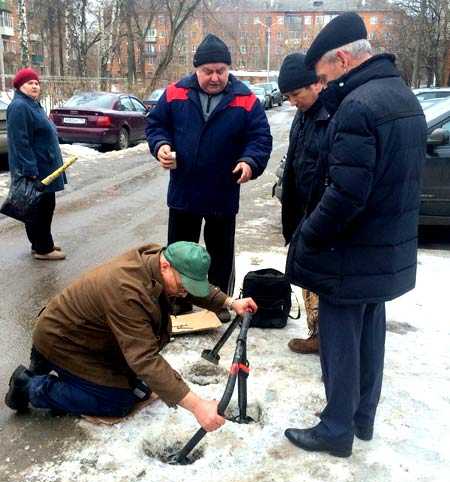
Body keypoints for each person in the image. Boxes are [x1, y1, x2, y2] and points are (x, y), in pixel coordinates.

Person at [284, 13, 427, 457]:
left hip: (349, 251)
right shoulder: (403, 96)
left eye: (324, 77)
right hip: (384, 248)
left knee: (341, 336)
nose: (323, 86)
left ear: (343, 59)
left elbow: (345, 194)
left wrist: (308, 234)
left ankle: (336, 428)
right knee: (370, 328)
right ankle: (362, 417)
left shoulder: (358, 107)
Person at [5, 241, 257, 432]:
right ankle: (30, 386)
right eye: (183, 284)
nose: (184, 292)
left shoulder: (158, 261)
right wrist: (198, 406)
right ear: (166, 265)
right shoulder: (127, 291)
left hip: (94, 337)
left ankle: (68, 379)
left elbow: (188, 289)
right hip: (63, 342)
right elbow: (144, 358)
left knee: (141, 388)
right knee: (116, 402)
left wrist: (228, 302)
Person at [145, 34, 272, 322]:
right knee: (178, 253)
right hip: (184, 192)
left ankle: (220, 305)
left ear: (228, 69)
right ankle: (177, 303)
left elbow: (260, 139)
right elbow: (156, 125)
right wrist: (161, 145)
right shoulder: (175, 93)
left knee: (220, 256)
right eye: (208, 71)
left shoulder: (246, 99)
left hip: (222, 193)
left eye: (221, 70)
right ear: (196, 70)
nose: (215, 77)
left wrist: (249, 162)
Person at [277, 53, 329, 355]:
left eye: (296, 94)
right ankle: (315, 332)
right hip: (302, 211)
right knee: (306, 276)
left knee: (320, 279)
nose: (292, 101)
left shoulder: (332, 114)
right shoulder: (304, 115)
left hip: (321, 211)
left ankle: (326, 336)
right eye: (287, 96)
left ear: (316, 84)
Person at [7, 68, 66, 260]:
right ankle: (43, 248)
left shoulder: (31, 104)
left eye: (36, 83)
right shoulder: (19, 107)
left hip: (45, 164)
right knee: (40, 207)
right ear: (19, 86)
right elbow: (20, 141)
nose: (34, 86)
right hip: (36, 168)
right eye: (29, 83)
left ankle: (41, 243)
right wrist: (29, 169)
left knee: (42, 206)